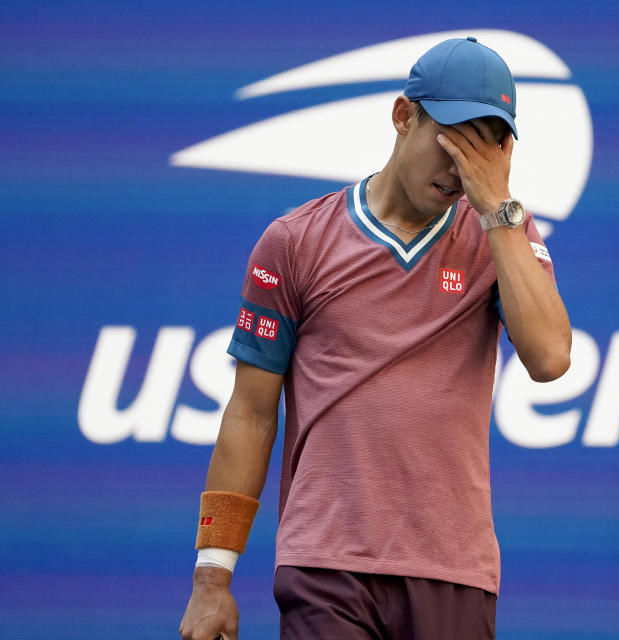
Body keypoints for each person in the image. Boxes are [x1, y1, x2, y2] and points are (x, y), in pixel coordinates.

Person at [179, 36, 572, 640]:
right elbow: (251, 414)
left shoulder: (501, 235)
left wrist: (499, 209)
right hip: (326, 567)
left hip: (454, 571)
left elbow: (548, 358)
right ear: (402, 116)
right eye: (451, 138)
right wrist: (212, 580)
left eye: (485, 145)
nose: (460, 167)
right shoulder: (294, 242)